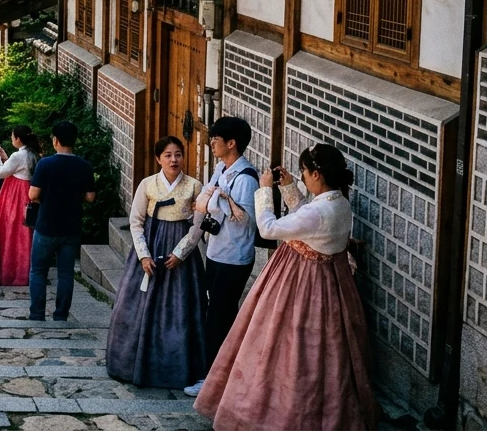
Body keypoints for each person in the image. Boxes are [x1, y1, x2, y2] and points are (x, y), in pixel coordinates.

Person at [194, 144, 379, 430]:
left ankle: (278, 414)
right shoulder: (338, 202)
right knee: (325, 354)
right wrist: (291, 187)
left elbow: (269, 228)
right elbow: (307, 218)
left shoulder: (319, 213)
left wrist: (265, 190)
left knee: (287, 351)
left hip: (301, 287)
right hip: (329, 285)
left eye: (305, 173)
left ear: (317, 174)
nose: (304, 177)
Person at [106, 136, 206, 389]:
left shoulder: (195, 186)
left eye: (178, 154)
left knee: (182, 309)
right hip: (151, 246)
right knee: (137, 308)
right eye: (168, 155)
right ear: (158, 158)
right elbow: (136, 221)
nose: (174, 159)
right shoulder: (147, 184)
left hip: (181, 254)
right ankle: (133, 364)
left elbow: (198, 225)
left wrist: (181, 252)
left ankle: (178, 369)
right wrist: (143, 255)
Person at [184, 116, 258, 398]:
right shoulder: (220, 168)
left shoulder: (246, 178)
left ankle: (215, 379)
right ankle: (219, 373)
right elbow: (205, 197)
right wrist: (215, 198)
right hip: (215, 250)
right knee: (213, 312)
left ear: (232, 143)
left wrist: (217, 199)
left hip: (235, 257)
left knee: (220, 316)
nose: (211, 143)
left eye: (216, 139)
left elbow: (245, 220)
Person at [28, 121, 95, 321]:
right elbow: (91, 197)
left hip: (46, 225)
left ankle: (37, 313)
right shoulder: (84, 165)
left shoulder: (45, 164)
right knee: (66, 273)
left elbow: (33, 194)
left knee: (38, 271)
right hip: (72, 226)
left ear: (55, 140)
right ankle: (61, 314)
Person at [0, 125, 39, 286]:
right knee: (25, 233)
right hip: (27, 190)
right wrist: (6, 157)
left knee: (12, 231)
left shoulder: (18, 155)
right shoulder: (32, 154)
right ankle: (26, 270)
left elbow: (1, 173)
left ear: (18, 139)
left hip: (15, 193)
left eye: (13, 137)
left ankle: (12, 272)